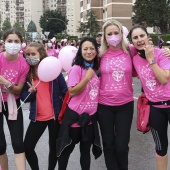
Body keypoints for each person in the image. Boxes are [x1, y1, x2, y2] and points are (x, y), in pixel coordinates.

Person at [56, 37, 102, 170]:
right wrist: (87, 78)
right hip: (75, 117)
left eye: (92, 48)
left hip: (89, 119)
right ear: (80, 51)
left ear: (96, 51)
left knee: (85, 152)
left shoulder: (96, 70)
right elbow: (72, 92)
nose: (89, 51)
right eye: (85, 48)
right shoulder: (76, 69)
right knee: (66, 151)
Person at [20, 42, 67, 170]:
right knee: (27, 147)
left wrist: (66, 113)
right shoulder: (27, 74)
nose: (30, 57)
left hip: (55, 117)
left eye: (33, 54)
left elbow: (65, 92)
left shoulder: (53, 69)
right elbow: (24, 98)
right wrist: (31, 93)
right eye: (27, 54)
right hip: (38, 117)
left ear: (41, 54)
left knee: (54, 147)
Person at [129, 25, 170, 170]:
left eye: (142, 36)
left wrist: (151, 59)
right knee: (160, 147)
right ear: (132, 42)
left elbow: (164, 79)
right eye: (135, 38)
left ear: (148, 37)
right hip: (155, 108)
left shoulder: (162, 54)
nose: (139, 40)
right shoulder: (134, 59)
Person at [97, 20, 134, 170]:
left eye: (116, 33)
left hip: (125, 105)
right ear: (105, 37)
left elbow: (150, 53)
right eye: (109, 34)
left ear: (121, 34)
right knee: (108, 144)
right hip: (104, 105)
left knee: (122, 146)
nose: (113, 36)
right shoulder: (100, 55)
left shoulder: (131, 51)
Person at [0, 28, 30, 170]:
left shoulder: (23, 64)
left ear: (21, 43)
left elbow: (18, 89)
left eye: (16, 41)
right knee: (0, 145)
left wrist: (5, 82)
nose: (13, 44)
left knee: (18, 143)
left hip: (14, 103)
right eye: (10, 41)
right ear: (4, 43)